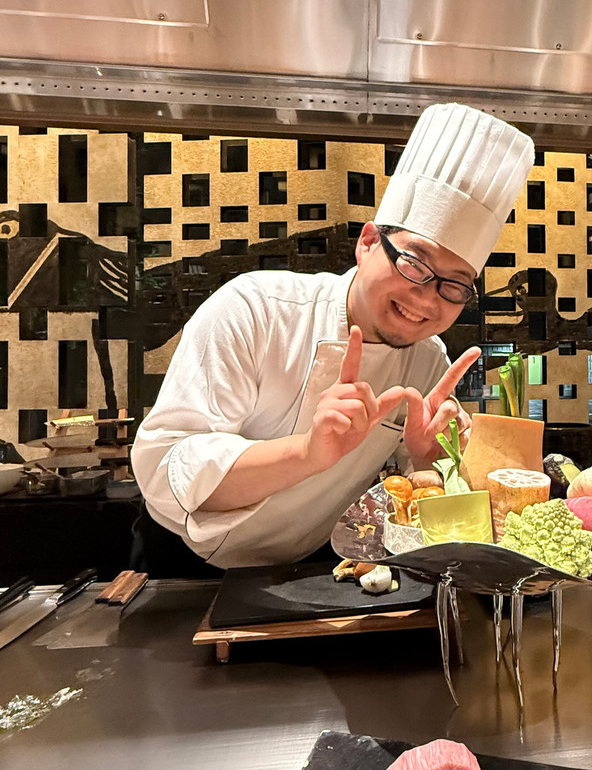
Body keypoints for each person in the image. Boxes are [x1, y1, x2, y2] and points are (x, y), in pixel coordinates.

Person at [130, 103, 535, 570]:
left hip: (309, 562)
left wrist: (428, 461)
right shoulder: (257, 308)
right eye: (414, 263)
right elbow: (166, 467)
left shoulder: (428, 363)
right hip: (182, 562)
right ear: (368, 243)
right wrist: (306, 452)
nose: (426, 299)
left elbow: (412, 502)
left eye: (455, 285)